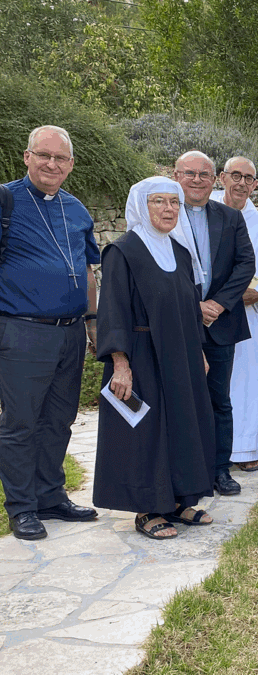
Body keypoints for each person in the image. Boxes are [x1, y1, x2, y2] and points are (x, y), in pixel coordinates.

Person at [94, 177, 216, 539]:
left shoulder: (179, 253)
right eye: (158, 202)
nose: (168, 209)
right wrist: (120, 364)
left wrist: (200, 351)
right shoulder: (123, 252)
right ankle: (147, 508)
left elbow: (190, 310)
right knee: (146, 433)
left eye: (174, 203)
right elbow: (112, 310)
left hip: (181, 353)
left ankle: (179, 500)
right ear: (141, 207)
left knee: (182, 425)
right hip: (141, 355)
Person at [0, 125, 100, 540]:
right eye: (44, 155)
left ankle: (50, 495)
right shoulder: (6, 200)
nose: (51, 164)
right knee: (22, 422)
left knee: (60, 419)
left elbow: (89, 269)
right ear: (27, 157)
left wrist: (94, 324)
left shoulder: (76, 209)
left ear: (71, 165)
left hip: (71, 331)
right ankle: (22, 508)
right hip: (23, 330)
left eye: (60, 158)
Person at [172, 150, 255, 497]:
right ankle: (185, 471)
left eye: (203, 174)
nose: (196, 180)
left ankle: (221, 470)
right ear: (176, 176)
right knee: (179, 400)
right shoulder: (165, 213)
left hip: (220, 325)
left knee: (220, 400)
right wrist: (194, 305)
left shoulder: (230, 218)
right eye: (189, 173)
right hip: (176, 324)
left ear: (214, 179)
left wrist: (218, 304)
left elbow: (245, 263)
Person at [211, 156, 258, 472]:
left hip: (247, 314)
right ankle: (213, 449)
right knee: (214, 380)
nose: (240, 183)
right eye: (235, 175)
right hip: (208, 313)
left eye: (247, 178)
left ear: (255, 184)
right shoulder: (202, 213)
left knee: (248, 380)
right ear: (222, 177)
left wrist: (239, 295)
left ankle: (247, 447)